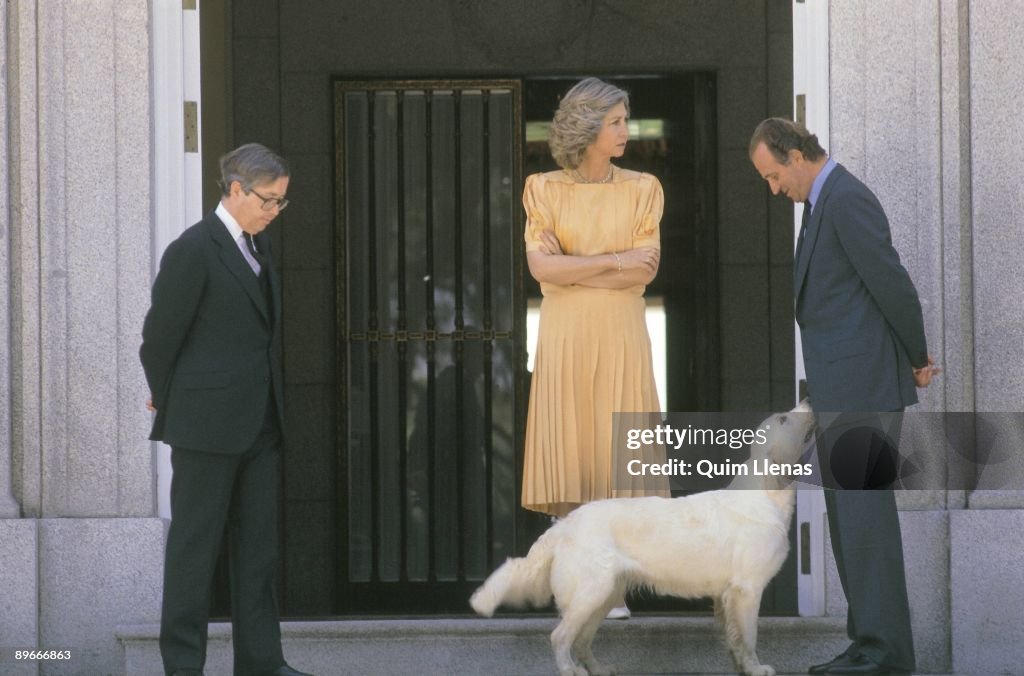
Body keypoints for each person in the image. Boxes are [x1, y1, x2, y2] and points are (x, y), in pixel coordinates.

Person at [749, 118, 939, 676]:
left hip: (863, 389)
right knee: (850, 522)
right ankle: (868, 646)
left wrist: (918, 357)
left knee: (865, 523)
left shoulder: (847, 198)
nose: (773, 188)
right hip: (843, 388)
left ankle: (884, 655)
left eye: (772, 174)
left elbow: (891, 282)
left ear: (795, 155)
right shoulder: (821, 202)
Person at [140, 143, 312, 676]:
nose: (274, 211)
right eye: (268, 200)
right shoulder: (193, 248)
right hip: (205, 427)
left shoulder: (258, 248)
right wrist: (167, 398)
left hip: (260, 423)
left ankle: (262, 663)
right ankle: (184, 667)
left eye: (282, 202)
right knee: (194, 551)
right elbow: (158, 339)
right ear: (235, 189)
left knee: (257, 553)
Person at [521, 78, 669, 617]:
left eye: (625, 120)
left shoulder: (643, 187)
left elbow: (645, 270)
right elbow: (541, 268)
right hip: (565, 336)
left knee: (617, 453)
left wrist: (577, 267)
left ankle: (612, 588)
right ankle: (577, 585)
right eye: (616, 122)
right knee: (572, 453)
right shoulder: (542, 188)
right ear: (587, 129)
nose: (626, 131)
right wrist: (613, 259)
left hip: (621, 332)